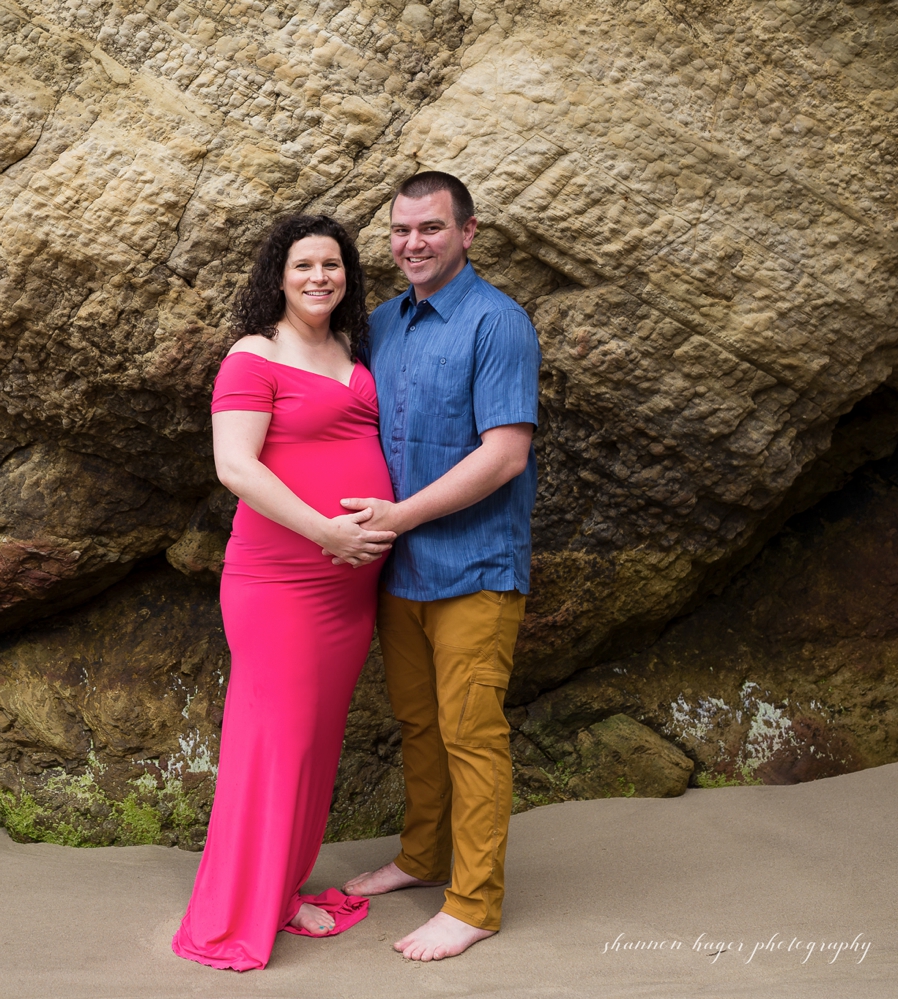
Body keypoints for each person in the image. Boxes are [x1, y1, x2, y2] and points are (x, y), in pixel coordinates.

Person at [171, 215, 397, 971]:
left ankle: (283, 885)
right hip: (281, 581)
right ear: (279, 274)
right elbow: (236, 466)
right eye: (304, 265)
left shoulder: (350, 350)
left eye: (332, 265)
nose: (319, 278)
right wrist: (326, 534)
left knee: (313, 745)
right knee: (273, 743)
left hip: (346, 594)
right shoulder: (252, 354)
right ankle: (236, 911)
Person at [339, 172, 541, 962]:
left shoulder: (499, 323)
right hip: (400, 573)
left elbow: (504, 455)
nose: (412, 243)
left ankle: (475, 902)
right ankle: (424, 857)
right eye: (400, 230)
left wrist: (399, 517)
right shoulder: (383, 324)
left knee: (471, 735)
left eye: (429, 227)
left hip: (477, 569)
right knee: (419, 727)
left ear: (468, 232)